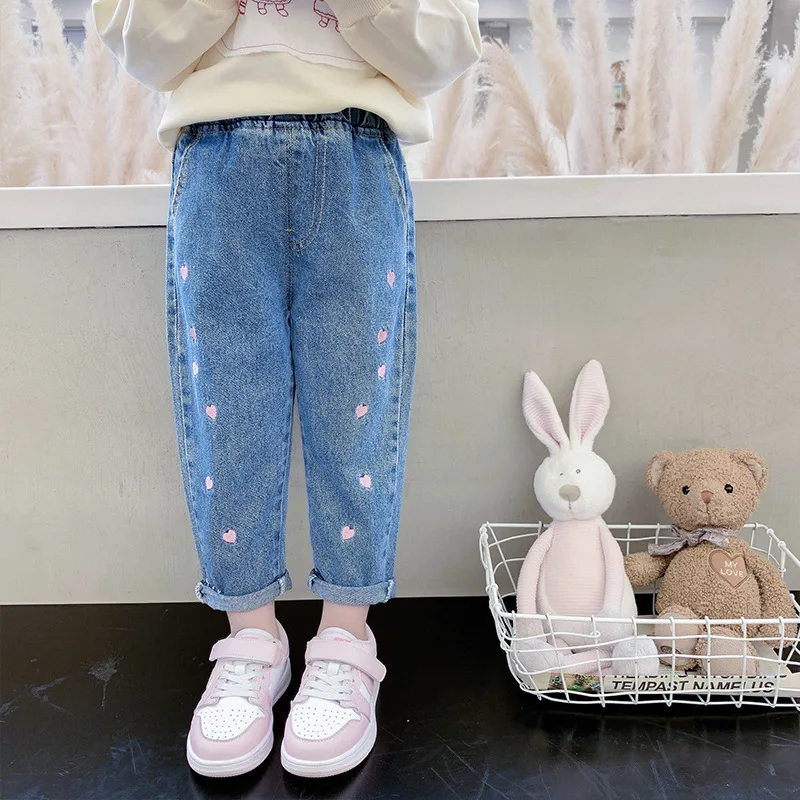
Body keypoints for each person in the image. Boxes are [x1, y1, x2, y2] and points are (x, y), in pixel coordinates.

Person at [93, 0, 480, 779]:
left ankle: (345, 639)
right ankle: (251, 640)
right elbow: (140, 45)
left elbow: (444, 48)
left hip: (358, 152)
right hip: (218, 156)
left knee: (356, 411)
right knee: (228, 412)